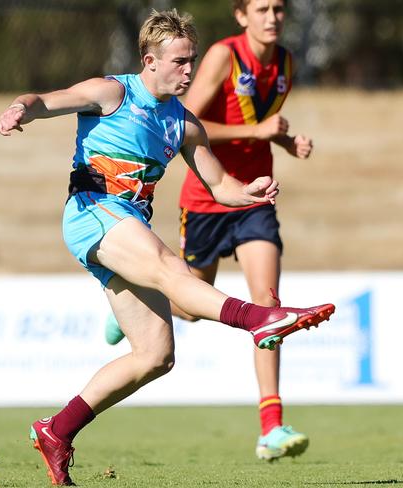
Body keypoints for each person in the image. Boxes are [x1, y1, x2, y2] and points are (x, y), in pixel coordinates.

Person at [0, 9, 334, 486]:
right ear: (149, 61)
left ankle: (57, 429)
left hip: (127, 224)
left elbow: (220, 186)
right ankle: (259, 320)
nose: (189, 71)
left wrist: (250, 191)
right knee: (167, 267)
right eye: (180, 62)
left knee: (156, 355)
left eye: (192, 60)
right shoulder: (113, 93)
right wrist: (20, 109)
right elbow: (48, 100)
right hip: (93, 211)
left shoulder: (184, 124)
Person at [105, 0, 315, 462]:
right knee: (194, 305)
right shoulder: (223, 55)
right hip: (205, 201)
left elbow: (256, 123)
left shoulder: (285, 62)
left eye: (279, 8)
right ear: (242, 16)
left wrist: (283, 139)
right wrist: (262, 131)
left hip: (252, 198)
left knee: (268, 303)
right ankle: (138, 299)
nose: (273, 16)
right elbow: (188, 120)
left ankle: (271, 426)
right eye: (262, 8)